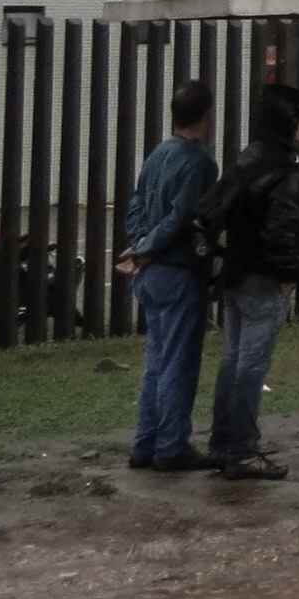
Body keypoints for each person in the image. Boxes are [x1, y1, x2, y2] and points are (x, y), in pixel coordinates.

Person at [197, 83, 299, 482]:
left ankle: (222, 443)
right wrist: (288, 275)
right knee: (252, 366)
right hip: (265, 277)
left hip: (236, 270)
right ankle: (243, 450)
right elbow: (283, 228)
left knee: (233, 362)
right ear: (289, 121)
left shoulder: (247, 158)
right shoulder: (284, 168)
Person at [116, 80, 220, 473]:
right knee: (179, 360)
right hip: (176, 268)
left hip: (149, 272)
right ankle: (172, 444)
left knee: (156, 359)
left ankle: (145, 441)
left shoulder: (158, 153)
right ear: (207, 116)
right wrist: (149, 246)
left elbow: (137, 203)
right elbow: (182, 218)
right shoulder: (201, 162)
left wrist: (139, 243)